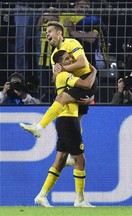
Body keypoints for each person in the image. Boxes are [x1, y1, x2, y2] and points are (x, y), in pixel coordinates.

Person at [34, 49, 96, 208]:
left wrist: (86, 100)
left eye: (71, 57)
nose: (71, 60)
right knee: (80, 159)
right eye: (67, 59)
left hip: (64, 120)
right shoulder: (64, 75)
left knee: (60, 161)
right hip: (69, 121)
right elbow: (87, 84)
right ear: (60, 64)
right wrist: (94, 71)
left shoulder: (63, 76)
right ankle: (80, 199)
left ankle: (42, 195)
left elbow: (77, 95)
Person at [19, 21, 97, 138]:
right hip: (74, 82)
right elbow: (56, 77)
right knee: (75, 120)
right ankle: (73, 153)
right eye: (45, 33)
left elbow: (82, 63)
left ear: (59, 33)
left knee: (62, 100)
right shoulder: (53, 55)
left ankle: (39, 127)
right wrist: (56, 75)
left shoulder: (72, 43)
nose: (47, 35)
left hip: (86, 77)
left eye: (50, 31)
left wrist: (64, 69)